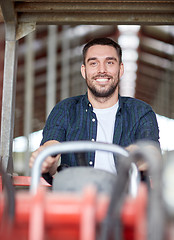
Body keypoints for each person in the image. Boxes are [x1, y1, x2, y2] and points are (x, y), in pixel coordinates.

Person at [29, 37, 159, 181]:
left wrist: (141, 154)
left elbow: (151, 151)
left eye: (109, 62)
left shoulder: (141, 111)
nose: (102, 70)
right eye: (93, 63)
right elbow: (51, 146)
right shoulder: (65, 109)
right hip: (77, 198)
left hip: (126, 198)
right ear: (84, 71)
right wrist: (46, 157)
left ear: (120, 69)